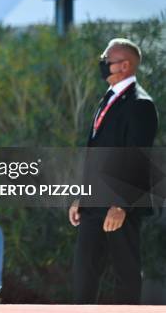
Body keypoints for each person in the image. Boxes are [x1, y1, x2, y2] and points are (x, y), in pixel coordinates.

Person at [69, 38, 158, 304]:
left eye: (107, 60)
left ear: (125, 65)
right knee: (84, 271)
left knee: (126, 273)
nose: (103, 65)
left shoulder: (141, 104)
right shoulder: (108, 99)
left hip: (120, 207)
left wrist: (120, 206)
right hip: (94, 203)